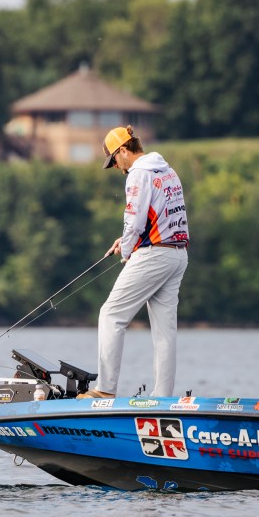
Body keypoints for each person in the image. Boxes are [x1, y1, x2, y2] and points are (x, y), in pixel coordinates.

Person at [78, 125, 190, 399]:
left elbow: (134, 221)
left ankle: (105, 390)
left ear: (123, 151)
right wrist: (128, 240)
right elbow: (156, 217)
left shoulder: (138, 174)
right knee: (165, 332)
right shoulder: (167, 170)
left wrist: (127, 250)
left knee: (111, 315)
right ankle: (163, 398)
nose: (116, 167)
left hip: (154, 256)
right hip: (177, 255)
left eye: (114, 160)